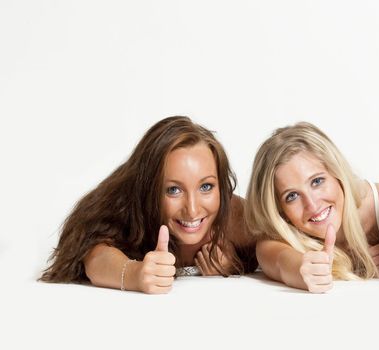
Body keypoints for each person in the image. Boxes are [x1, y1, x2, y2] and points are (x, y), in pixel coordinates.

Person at [40, 116, 257, 293]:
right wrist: (136, 274)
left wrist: (235, 265)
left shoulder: (235, 216)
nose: (192, 209)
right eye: (173, 190)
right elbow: (93, 254)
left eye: (206, 187)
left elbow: (278, 245)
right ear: (149, 189)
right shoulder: (127, 207)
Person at [245, 122, 379, 293]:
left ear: (337, 174)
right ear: (280, 211)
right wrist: (303, 271)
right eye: (292, 196)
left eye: (317, 181)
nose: (312, 205)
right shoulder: (278, 237)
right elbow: (280, 262)